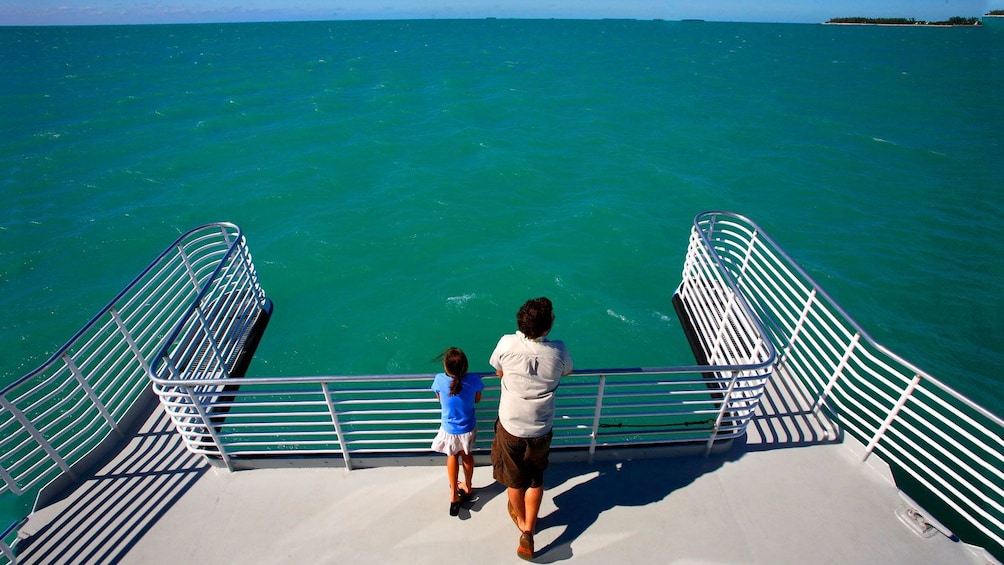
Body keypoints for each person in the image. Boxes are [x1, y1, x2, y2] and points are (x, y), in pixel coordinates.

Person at [489, 297, 573, 561]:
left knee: (514, 480)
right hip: (541, 427)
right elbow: (567, 372)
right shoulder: (558, 351)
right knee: (535, 478)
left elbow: (497, 368)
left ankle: (521, 518)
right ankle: (528, 530)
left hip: (511, 424)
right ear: (548, 327)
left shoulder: (506, 343)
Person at [430, 347, 484, 517]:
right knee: (467, 456)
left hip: (449, 429)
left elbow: (439, 398)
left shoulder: (439, 380)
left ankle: (453, 494)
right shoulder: (474, 380)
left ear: (446, 368)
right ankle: (467, 487)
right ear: (465, 367)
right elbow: (477, 399)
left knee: (452, 456)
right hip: (467, 427)